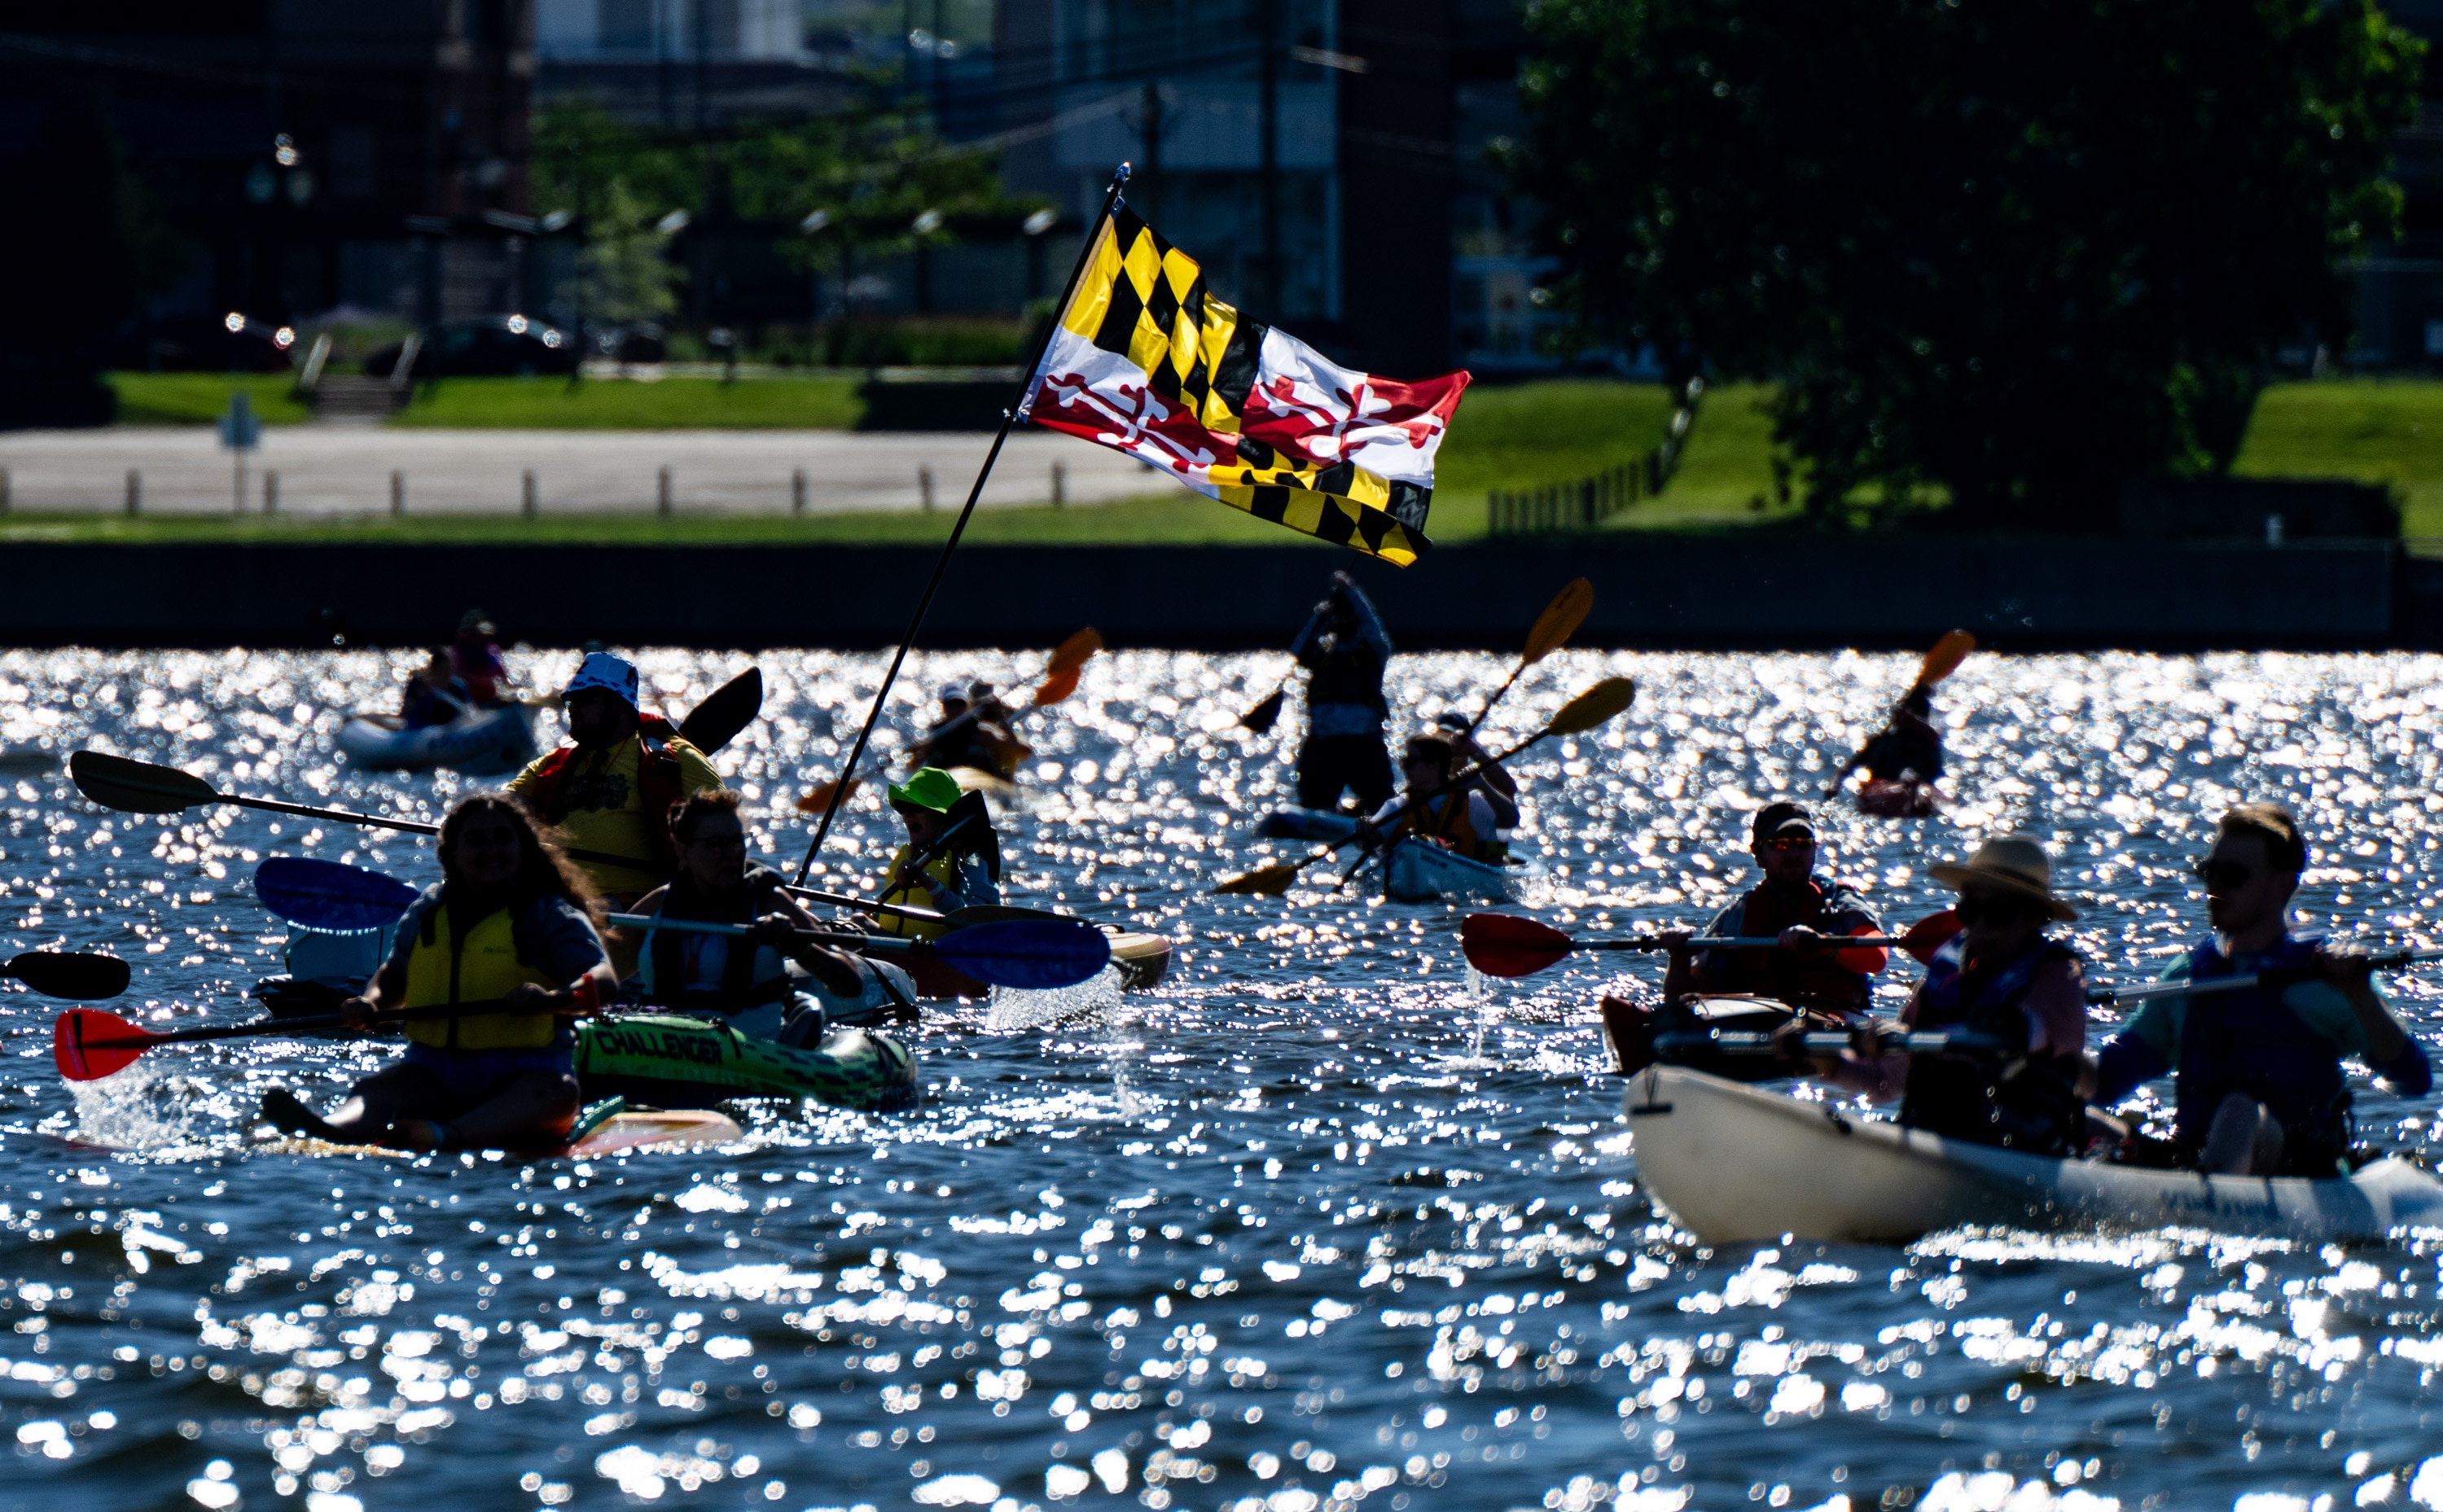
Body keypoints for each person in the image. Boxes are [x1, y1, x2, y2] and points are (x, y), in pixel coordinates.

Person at [2089, 803, 2430, 1177]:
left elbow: (2412, 1079)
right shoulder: (2187, 976)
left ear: (2282, 884)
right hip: (2190, 1156)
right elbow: (2107, 1081)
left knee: (2239, 1109)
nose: (2215, 887)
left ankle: (2208, 1193)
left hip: (2296, 1164)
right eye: (2209, 872)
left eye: (2233, 876)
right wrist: (2047, 1061)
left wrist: (2363, 999)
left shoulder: (2326, 980)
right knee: (2073, 1114)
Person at [260, 794, 616, 1152]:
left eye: (503, 838)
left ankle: (450, 1135)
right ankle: (332, 1127)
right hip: (433, 1075)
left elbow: (602, 978)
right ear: (453, 855)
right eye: (476, 840)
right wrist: (369, 1004)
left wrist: (550, 1001)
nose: (491, 850)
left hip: (522, 1076)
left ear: (523, 849)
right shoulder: (429, 911)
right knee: (378, 1090)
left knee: (555, 1094)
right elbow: (393, 978)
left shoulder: (548, 914)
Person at [1799, 835, 2090, 1155]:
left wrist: (1918, 1035)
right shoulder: (1944, 973)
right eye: (1969, 909)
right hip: (1940, 1147)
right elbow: (1887, 1081)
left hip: (2023, 1154)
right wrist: (1831, 1060)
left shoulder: (2058, 976)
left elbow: (2028, 1033)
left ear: (2035, 918)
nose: (1980, 925)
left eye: (1998, 913)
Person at [619, 789, 911, 1039]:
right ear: (682, 849)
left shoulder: (770, 903)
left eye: (737, 841)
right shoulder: (657, 906)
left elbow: (850, 984)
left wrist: (801, 948)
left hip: (753, 1054)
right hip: (666, 1051)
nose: (732, 853)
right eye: (717, 844)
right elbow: (602, 969)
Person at [507, 651, 721, 903]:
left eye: (584, 698)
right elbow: (503, 807)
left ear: (619, 705)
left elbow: (724, 833)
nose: (573, 708)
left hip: (640, 910)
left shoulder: (677, 758)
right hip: (564, 904)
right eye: (570, 700)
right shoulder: (555, 761)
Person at [1659, 803, 1890, 1017]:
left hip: (1830, 1020)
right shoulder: (1735, 916)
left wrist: (1822, 944)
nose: (1793, 854)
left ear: (1815, 849)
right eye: (1780, 845)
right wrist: (1678, 956)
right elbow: (1678, 1001)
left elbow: (1877, 956)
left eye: (1803, 844)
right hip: (1752, 1021)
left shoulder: (1841, 904)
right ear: (1758, 854)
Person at [1291, 570, 1394, 813]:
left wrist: (1351, 591)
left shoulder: (1372, 651)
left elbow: (1373, 627)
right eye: (1338, 615)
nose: (1341, 619)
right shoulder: (1322, 654)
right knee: (1313, 802)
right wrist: (1317, 618)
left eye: (1346, 614)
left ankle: (1371, 820)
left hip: (1364, 743)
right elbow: (1298, 649)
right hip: (1324, 743)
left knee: (1381, 800)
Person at [871, 767, 1002, 939]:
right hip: (890, 950)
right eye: (904, 807)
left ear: (944, 816)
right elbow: (884, 917)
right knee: (858, 921)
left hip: (936, 954)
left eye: (917, 807)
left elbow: (976, 921)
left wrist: (930, 885)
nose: (907, 814)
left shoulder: (968, 862)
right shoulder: (907, 855)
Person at [1364, 732, 1510, 865]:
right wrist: (1365, 830)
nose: (1404, 768)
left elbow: (1510, 820)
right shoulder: (1398, 805)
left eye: (1411, 762)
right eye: (1404, 761)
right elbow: (1368, 842)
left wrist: (1483, 785)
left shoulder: (1473, 802)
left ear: (1433, 766)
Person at [1828, 688, 1944, 797]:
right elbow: (1848, 768)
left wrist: (1910, 717)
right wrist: (1834, 786)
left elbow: (1929, 732)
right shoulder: (1881, 741)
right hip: (1883, 791)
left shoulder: (1930, 741)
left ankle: (1910, 790)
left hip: (1919, 789)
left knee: (1912, 778)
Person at [1434, 711, 1520, 833]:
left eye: (1454, 742)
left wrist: (1474, 751)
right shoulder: (1425, 776)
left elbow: (1509, 789)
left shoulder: (1478, 782)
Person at [451, 610, 510, 707]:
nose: (482, 640)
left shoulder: (492, 652)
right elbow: (457, 680)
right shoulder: (454, 655)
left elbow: (504, 681)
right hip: (467, 707)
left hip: (490, 704)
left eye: (485, 636)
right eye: (476, 635)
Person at [399, 651, 466, 730]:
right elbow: (403, 715)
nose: (447, 674)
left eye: (449, 669)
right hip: (421, 731)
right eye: (442, 670)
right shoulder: (417, 687)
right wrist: (418, 696)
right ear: (433, 671)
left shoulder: (458, 687)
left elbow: (468, 712)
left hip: (450, 732)